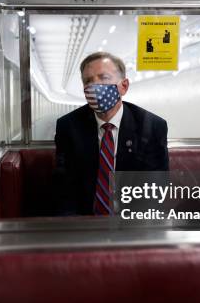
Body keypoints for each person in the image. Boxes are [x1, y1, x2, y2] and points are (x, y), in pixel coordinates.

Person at [53, 51, 169, 216]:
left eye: (104, 78)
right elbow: (65, 189)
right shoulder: (69, 126)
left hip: (133, 224)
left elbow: (154, 190)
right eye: (88, 81)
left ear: (124, 86)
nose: (95, 86)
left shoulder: (151, 126)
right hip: (84, 224)